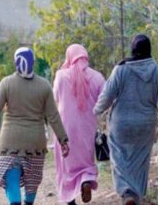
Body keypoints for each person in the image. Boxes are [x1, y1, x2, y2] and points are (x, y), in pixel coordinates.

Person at [0, 47, 70, 205]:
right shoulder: (44, 86)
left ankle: (15, 202)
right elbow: (53, 116)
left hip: (10, 144)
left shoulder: (7, 83)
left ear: (15, 63)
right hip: (36, 144)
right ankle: (28, 201)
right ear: (33, 62)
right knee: (32, 182)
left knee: (11, 176)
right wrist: (63, 140)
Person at [93, 34, 158, 205]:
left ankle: (126, 194)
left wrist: (96, 110)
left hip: (121, 124)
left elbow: (107, 97)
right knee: (140, 162)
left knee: (119, 160)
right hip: (145, 125)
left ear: (133, 49)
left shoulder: (121, 70)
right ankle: (136, 196)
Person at [52, 44, 105, 205]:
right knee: (86, 161)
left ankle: (70, 199)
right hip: (87, 128)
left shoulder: (61, 75)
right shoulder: (97, 77)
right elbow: (105, 100)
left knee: (65, 164)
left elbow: (55, 97)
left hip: (64, 128)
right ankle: (85, 181)